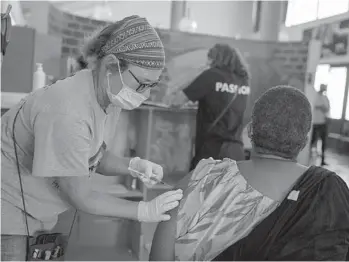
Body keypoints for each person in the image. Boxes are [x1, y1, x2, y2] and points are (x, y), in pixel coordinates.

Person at [1, 15, 183, 261]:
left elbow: (91, 155)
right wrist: (143, 210)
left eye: (152, 85)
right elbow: (80, 194)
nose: (146, 93)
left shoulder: (108, 97)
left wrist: (132, 166)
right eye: (142, 84)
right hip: (8, 209)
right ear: (110, 64)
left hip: (37, 211)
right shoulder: (68, 110)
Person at [150, 86, 349, 261]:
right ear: (305, 140)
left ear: (250, 130)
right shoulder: (328, 193)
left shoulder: (202, 178)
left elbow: (159, 255)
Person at [167, 44, 251, 171]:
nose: (208, 62)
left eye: (209, 58)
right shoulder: (243, 81)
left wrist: (196, 75)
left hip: (212, 152)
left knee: (200, 189)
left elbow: (175, 101)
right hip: (236, 153)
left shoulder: (211, 76)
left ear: (215, 58)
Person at [311, 83, 330, 166]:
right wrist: (321, 107)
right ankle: (308, 157)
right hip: (315, 122)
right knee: (312, 141)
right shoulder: (315, 96)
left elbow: (327, 108)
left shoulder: (325, 98)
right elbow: (315, 106)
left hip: (323, 122)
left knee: (324, 142)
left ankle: (322, 160)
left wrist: (323, 108)